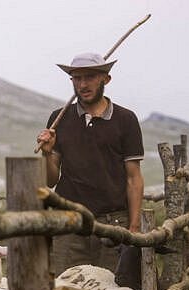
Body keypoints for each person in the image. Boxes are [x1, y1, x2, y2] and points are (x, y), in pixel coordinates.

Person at [36, 52, 145, 277]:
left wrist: (133, 227)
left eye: (90, 77)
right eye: (77, 78)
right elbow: (50, 180)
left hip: (113, 223)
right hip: (69, 222)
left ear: (106, 79)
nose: (83, 84)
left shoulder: (125, 120)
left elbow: (134, 177)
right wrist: (47, 155)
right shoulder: (60, 118)